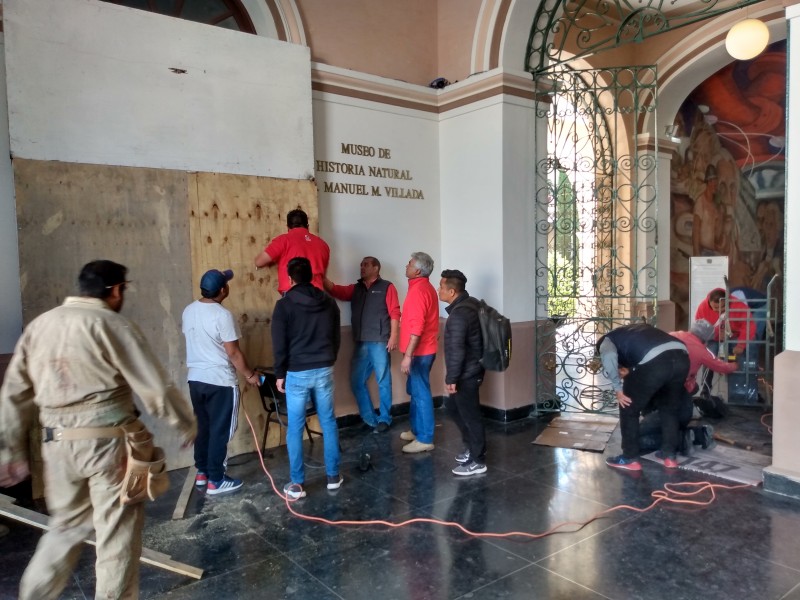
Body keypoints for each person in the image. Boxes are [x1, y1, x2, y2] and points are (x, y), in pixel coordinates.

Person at [0, 260, 196, 600]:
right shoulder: (111, 324)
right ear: (116, 290)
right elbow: (156, 388)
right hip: (109, 445)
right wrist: (185, 422)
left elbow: (14, 393)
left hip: (56, 446)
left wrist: (11, 451)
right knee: (116, 536)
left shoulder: (39, 327)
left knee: (64, 529)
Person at [182, 268, 259, 495]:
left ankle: (203, 473)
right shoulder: (222, 315)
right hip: (220, 382)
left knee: (203, 427)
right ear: (223, 290)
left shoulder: (189, 310)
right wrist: (250, 375)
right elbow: (233, 354)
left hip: (196, 380)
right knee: (221, 430)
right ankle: (216, 479)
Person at [271, 257, 342, 499]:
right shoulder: (329, 302)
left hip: (297, 372)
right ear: (312, 276)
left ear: (290, 278)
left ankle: (297, 484)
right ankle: (333, 477)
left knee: (295, 428)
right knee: (329, 421)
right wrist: (330, 358)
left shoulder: (284, 305)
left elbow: (279, 344)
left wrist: (279, 373)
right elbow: (336, 336)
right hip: (324, 368)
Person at [597, 322, 689, 471]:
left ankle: (630, 458)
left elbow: (609, 356)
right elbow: (641, 355)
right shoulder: (634, 331)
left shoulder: (606, 341)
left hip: (656, 361)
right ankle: (669, 456)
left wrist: (618, 389)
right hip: (682, 355)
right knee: (669, 409)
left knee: (628, 408)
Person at [638, 320, 737, 455]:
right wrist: (735, 365)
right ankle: (696, 435)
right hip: (682, 406)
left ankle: (682, 439)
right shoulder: (701, 351)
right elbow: (721, 366)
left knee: (635, 438)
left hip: (669, 405)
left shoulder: (671, 336)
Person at [324, 256, 401, 433]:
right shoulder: (356, 288)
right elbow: (336, 290)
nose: (362, 267)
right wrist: (320, 275)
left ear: (376, 268)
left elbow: (395, 312)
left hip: (380, 340)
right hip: (361, 342)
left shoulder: (387, 287)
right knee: (356, 381)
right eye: (361, 265)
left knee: (383, 381)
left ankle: (385, 418)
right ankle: (369, 419)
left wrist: (394, 336)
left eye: (366, 264)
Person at [438, 269, 487, 476]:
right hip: (473, 368)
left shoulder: (459, 315)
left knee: (470, 415)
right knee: (455, 410)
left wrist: (451, 378)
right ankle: (471, 449)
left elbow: (456, 350)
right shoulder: (471, 304)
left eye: (441, 287)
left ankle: (477, 460)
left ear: (451, 291)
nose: (438, 290)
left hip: (467, 372)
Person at [398, 252, 439, 454]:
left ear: (417, 271)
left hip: (419, 353)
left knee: (421, 394)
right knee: (415, 391)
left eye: (409, 263)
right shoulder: (424, 287)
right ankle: (416, 431)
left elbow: (416, 328)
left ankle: (425, 438)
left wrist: (408, 356)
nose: (406, 265)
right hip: (423, 351)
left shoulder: (418, 291)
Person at [695, 287, 756, 395]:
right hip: (714, 337)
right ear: (709, 302)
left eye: (722, 307)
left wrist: (741, 345)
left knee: (742, 357)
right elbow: (700, 327)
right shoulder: (703, 307)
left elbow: (748, 326)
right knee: (709, 357)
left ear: (728, 302)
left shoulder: (739, 306)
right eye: (715, 307)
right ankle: (705, 388)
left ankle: (743, 391)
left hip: (736, 336)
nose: (718, 310)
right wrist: (709, 339)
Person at [254, 208, 330, 294]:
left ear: (288, 227)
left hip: (293, 295)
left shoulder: (283, 240)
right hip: (318, 295)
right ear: (307, 226)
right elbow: (323, 275)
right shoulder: (323, 245)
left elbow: (259, 262)